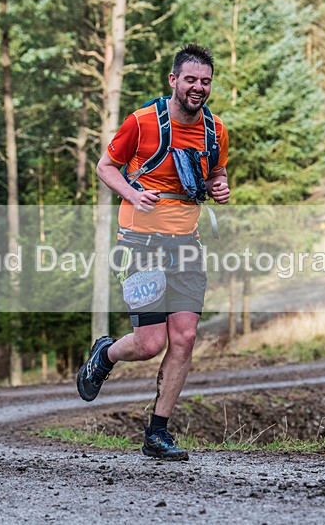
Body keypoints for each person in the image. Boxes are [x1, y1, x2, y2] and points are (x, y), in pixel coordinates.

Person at [76, 44, 230, 461]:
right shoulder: (142, 122)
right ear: (173, 81)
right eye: (191, 80)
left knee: (184, 337)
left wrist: (221, 188)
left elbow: (216, 173)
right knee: (148, 344)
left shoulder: (215, 130)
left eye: (205, 81)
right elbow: (105, 167)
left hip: (187, 245)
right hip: (140, 244)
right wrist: (132, 193)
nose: (198, 87)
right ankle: (105, 354)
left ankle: (157, 432)